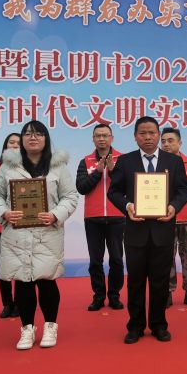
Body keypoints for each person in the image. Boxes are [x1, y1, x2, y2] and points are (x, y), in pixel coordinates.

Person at [0, 121, 78, 350]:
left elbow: (70, 196)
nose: (33, 138)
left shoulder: (57, 166)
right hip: (16, 234)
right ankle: (27, 328)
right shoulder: (8, 167)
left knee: (46, 281)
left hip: (47, 233)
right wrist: (4, 212)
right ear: (22, 139)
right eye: (28, 134)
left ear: (46, 139)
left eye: (38, 134)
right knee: (23, 282)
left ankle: (50, 325)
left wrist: (56, 214)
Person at [108, 117, 187, 344]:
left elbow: (183, 190)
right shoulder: (125, 161)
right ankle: (135, 326)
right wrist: (127, 206)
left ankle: (159, 324)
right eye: (142, 133)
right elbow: (113, 192)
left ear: (158, 135)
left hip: (163, 230)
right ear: (135, 136)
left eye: (151, 133)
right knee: (135, 281)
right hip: (135, 231)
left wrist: (174, 207)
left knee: (160, 281)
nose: (147, 137)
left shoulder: (173, 161)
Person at [75, 124, 125, 312]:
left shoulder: (123, 159)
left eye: (105, 135)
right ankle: (98, 296)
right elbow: (81, 188)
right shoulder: (85, 161)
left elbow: (127, 186)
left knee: (117, 260)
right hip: (93, 218)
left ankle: (114, 295)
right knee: (95, 261)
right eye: (98, 136)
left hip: (117, 217)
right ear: (93, 139)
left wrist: (112, 171)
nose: (102, 139)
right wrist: (98, 171)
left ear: (112, 138)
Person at [160, 127, 187, 308]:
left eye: (170, 140)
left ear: (180, 143)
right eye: (163, 141)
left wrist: (180, 183)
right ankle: (167, 292)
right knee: (165, 257)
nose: (166, 144)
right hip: (164, 218)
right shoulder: (157, 163)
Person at [0, 133, 22, 319]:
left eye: (19, 143)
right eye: (12, 142)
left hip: (22, 223)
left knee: (20, 263)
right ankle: (7, 303)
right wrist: (4, 212)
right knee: (2, 265)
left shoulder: (28, 167)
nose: (15, 146)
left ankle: (19, 302)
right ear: (5, 146)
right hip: (1, 223)